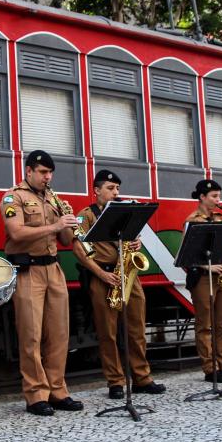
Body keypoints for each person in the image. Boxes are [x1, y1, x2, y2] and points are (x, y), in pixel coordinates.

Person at [2, 150, 84, 416]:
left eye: (50, 173)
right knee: (32, 335)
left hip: (53, 268)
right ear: (29, 171)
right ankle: (36, 394)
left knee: (60, 334)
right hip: (30, 271)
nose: (47, 177)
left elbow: (66, 240)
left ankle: (58, 390)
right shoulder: (13, 197)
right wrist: (55, 224)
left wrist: (69, 223)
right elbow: (16, 232)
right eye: (42, 172)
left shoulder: (52, 197)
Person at [74, 170, 166, 399]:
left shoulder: (124, 212)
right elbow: (79, 249)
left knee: (136, 330)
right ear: (96, 190)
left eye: (117, 189)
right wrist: (101, 275)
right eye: (110, 188)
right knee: (108, 333)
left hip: (128, 275)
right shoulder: (85, 216)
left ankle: (142, 378)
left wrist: (137, 244)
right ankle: (115, 381)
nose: (116, 193)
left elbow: (135, 239)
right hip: (103, 276)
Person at [182, 179, 222, 383]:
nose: (219, 200)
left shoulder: (220, 218)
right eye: (214, 196)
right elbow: (185, 255)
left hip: (221, 274)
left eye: (219, 196)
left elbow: (221, 245)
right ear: (202, 197)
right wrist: (207, 267)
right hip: (203, 277)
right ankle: (210, 369)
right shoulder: (192, 220)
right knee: (205, 325)